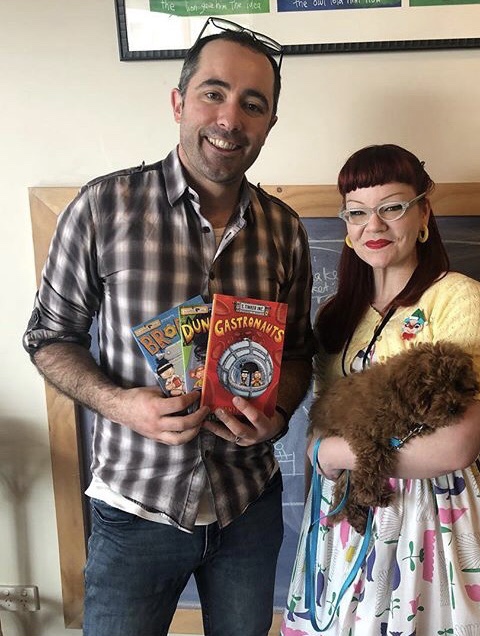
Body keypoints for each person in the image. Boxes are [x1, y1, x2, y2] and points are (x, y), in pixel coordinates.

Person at [23, 17, 313, 636]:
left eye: (252, 104)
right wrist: (120, 404)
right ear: (179, 102)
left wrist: (280, 412)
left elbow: (297, 354)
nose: (230, 118)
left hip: (247, 505)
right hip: (135, 508)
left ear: (269, 123)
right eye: (214, 93)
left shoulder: (285, 230)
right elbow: (48, 338)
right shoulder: (101, 208)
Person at [281, 144, 480, 635]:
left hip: (435, 519)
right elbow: (322, 417)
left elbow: (455, 446)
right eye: (357, 212)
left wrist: (328, 453)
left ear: (423, 213)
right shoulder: (336, 315)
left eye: (392, 207)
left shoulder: (461, 298)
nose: (374, 225)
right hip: (346, 514)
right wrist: (323, 451)